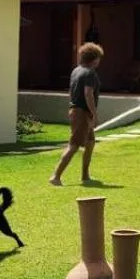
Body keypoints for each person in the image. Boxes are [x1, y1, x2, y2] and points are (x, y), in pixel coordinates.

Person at [51, 42, 103, 186]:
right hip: (81, 112)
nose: (99, 61)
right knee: (74, 145)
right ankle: (55, 176)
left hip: (77, 111)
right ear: (94, 58)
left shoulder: (76, 71)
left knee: (90, 142)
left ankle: (85, 175)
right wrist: (94, 114)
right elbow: (88, 94)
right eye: (98, 58)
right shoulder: (89, 73)